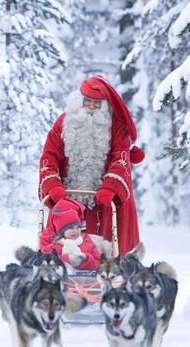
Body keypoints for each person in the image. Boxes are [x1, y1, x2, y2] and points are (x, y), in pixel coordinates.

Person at [38, 75, 145, 256]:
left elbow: (121, 159)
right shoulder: (63, 123)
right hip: (68, 200)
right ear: (78, 101)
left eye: (98, 103)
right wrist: (53, 185)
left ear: (105, 105)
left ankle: (112, 273)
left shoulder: (117, 128)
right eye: (88, 101)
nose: (92, 107)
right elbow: (49, 157)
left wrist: (111, 187)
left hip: (104, 202)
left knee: (108, 251)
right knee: (61, 249)